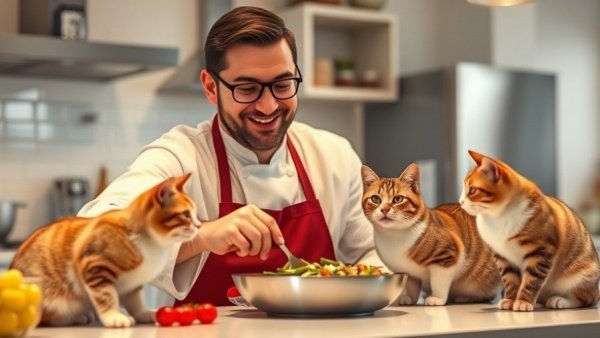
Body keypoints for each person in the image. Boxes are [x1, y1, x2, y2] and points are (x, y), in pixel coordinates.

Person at [78, 6, 382, 306]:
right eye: (247, 88)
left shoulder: (333, 156)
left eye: (282, 85)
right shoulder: (181, 157)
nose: (268, 106)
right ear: (211, 87)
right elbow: (89, 239)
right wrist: (201, 236)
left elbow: (375, 255)